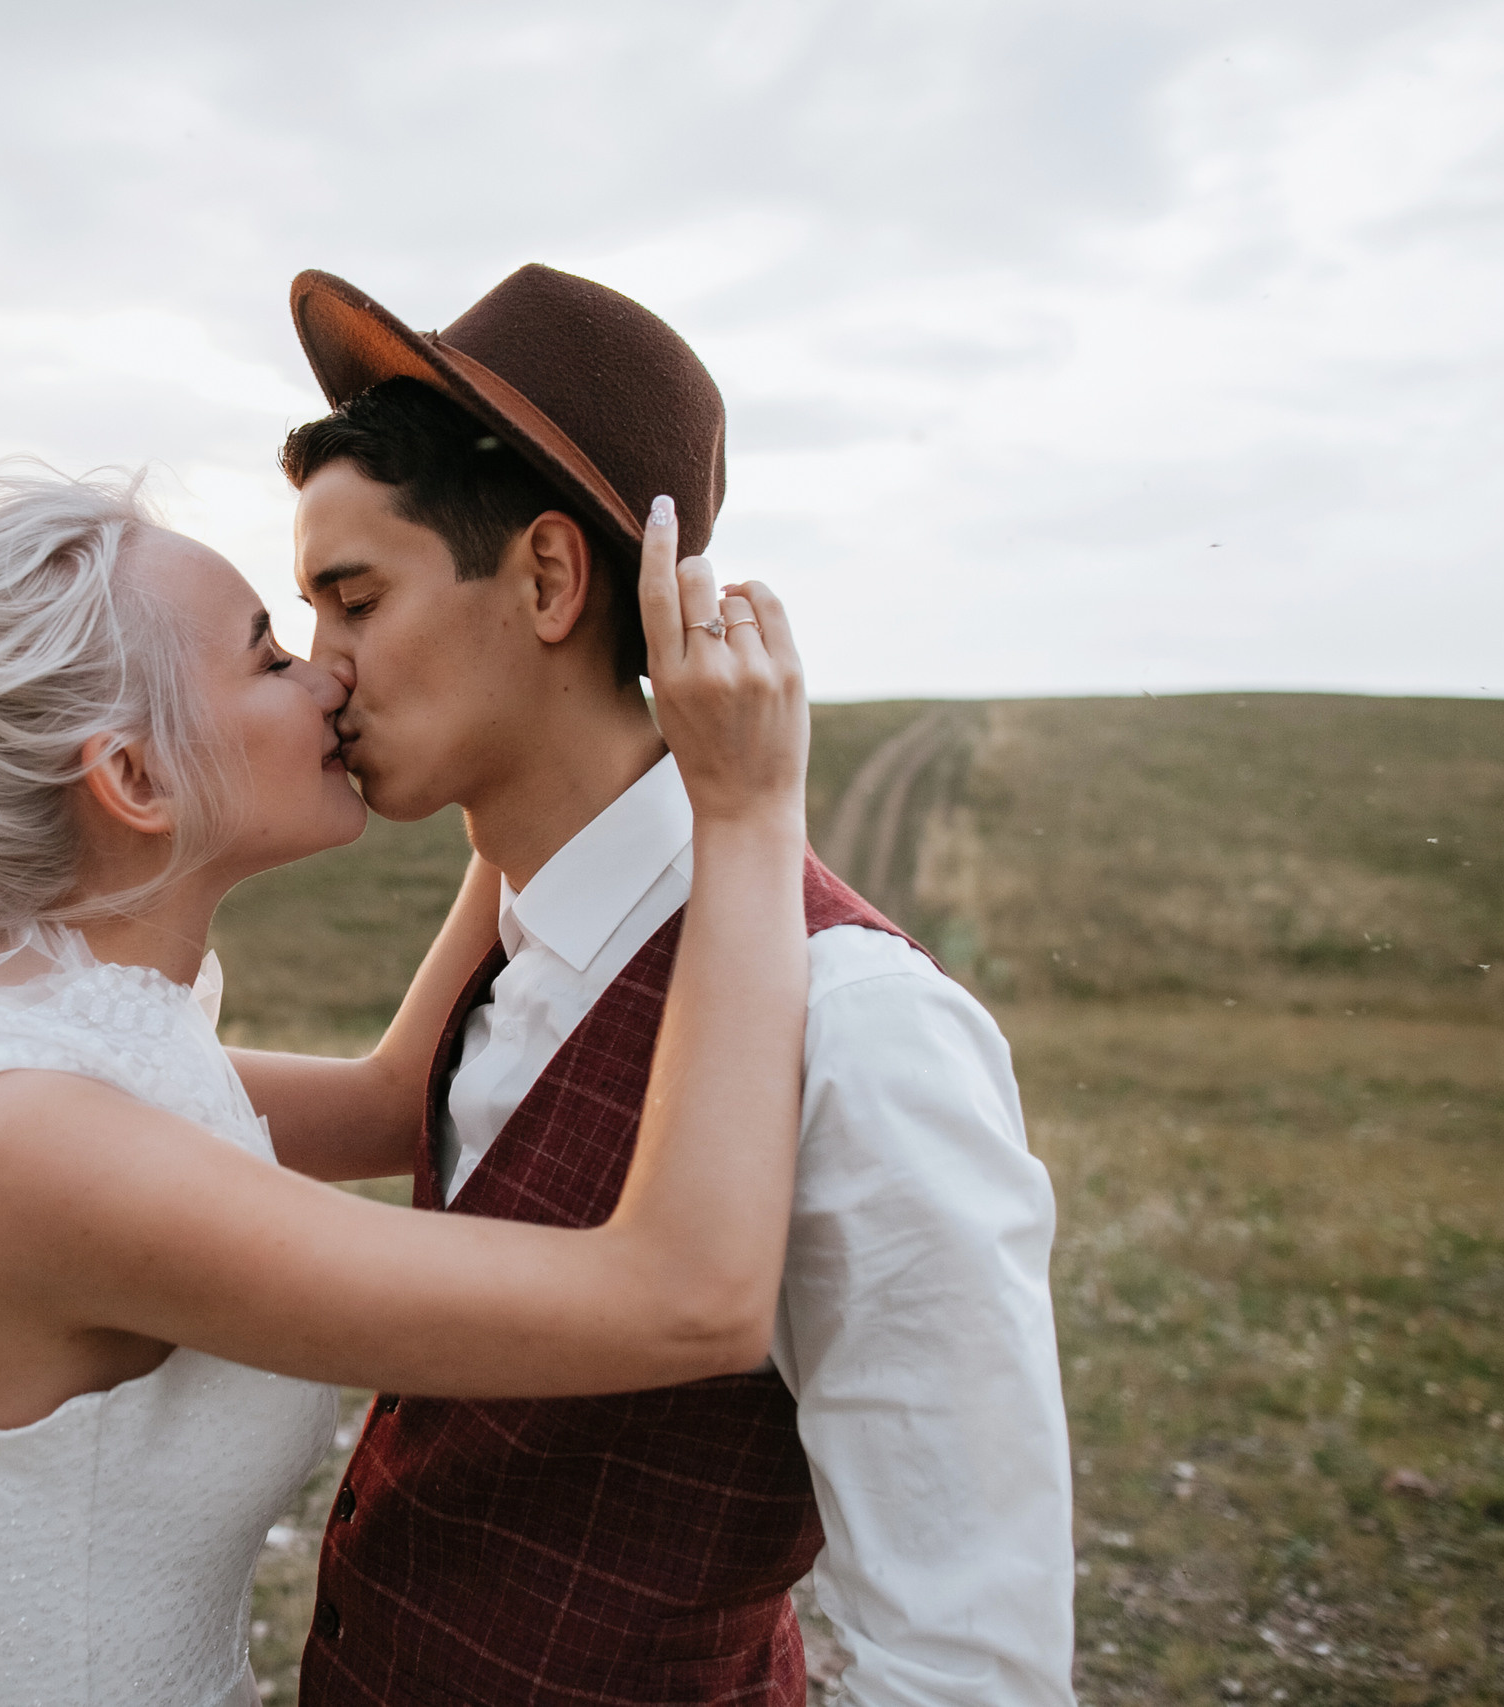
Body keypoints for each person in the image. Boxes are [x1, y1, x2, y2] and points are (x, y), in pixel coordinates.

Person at [0, 455, 817, 1706]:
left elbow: (393, 1098)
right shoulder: (37, 1148)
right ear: (136, 781)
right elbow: (685, 1299)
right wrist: (747, 810)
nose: (328, 674)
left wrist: (531, 729)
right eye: (268, 656)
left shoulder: (60, 1037)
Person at [239, 266, 1078, 1705]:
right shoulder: (519, 908)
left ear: (553, 580)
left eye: (354, 599)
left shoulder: (863, 1030)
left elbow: (967, 1662)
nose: (322, 674)